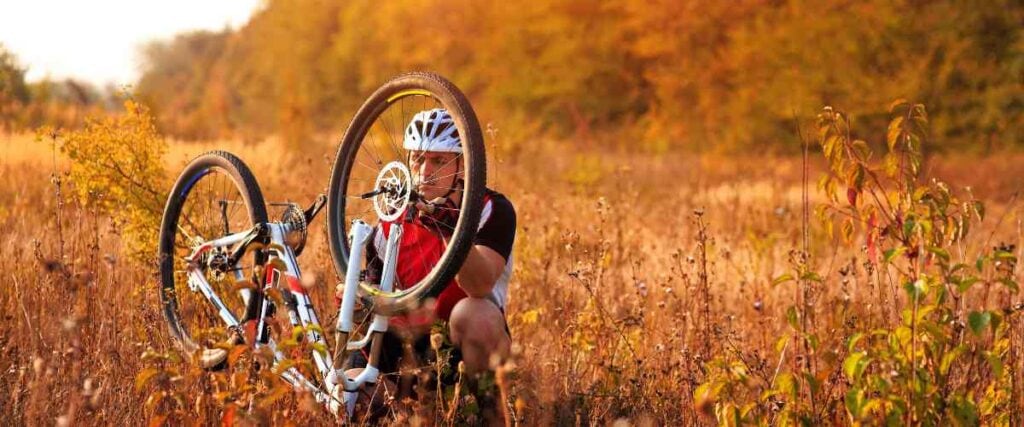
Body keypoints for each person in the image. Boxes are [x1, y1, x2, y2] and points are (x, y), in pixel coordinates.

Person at [339, 108, 516, 413]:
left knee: (475, 314)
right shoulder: (391, 217)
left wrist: (448, 225)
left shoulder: (490, 209)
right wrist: (360, 300)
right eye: (418, 159)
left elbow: (479, 284)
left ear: (462, 167)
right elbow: (375, 296)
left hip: (458, 346)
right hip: (398, 350)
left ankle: (490, 417)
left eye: (438, 160)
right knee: (347, 398)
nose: (424, 171)